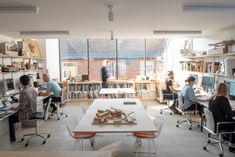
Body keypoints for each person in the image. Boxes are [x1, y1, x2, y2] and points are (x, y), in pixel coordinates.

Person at [9, 75, 37, 142]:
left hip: (27, 115)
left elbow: (22, 106)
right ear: (29, 81)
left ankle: (13, 139)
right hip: (33, 112)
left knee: (10, 118)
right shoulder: (33, 89)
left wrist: (15, 108)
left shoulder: (23, 92)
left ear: (20, 83)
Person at [208, 83, 235, 153]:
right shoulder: (223, 99)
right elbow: (230, 114)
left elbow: (222, 110)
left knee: (230, 119)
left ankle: (227, 137)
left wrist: (229, 109)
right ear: (225, 90)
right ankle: (232, 145)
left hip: (214, 123)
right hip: (220, 124)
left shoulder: (212, 98)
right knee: (233, 122)